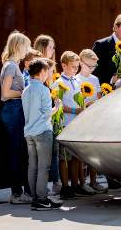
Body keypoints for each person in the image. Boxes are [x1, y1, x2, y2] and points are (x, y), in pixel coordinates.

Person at [22, 58, 63, 210]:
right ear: (42, 72)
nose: (49, 74)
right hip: (43, 131)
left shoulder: (26, 90)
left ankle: (35, 198)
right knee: (43, 167)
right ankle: (41, 199)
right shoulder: (44, 90)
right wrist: (57, 107)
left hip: (29, 133)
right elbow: (46, 114)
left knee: (32, 166)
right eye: (47, 71)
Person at [0, 31, 33, 205]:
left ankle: (20, 192)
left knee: (18, 152)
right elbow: (5, 94)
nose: (27, 50)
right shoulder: (11, 66)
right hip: (13, 110)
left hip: (15, 110)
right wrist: (25, 92)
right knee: (17, 153)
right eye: (25, 46)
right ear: (18, 46)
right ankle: (17, 193)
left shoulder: (12, 65)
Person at [76, 49, 107, 193]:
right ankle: (82, 182)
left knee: (94, 153)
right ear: (81, 63)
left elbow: (99, 98)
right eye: (89, 66)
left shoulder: (94, 80)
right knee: (82, 154)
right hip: (80, 118)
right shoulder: (76, 80)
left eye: (94, 66)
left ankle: (93, 181)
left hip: (93, 119)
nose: (92, 69)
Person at [54, 51, 83, 200]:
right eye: (73, 67)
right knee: (64, 157)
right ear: (64, 65)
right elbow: (58, 105)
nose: (75, 69)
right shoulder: (59, 83)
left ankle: (76, 185)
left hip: (76, 124)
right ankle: (65, 187)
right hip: (65, 124)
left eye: (77, 67)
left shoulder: (77, 81)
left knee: (77, 157)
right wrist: (74, 110)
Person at [92, 14, 121, 85]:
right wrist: (111, 80)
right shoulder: (101, 45)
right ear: (116, 27)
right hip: (108, 90)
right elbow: (95, 71)